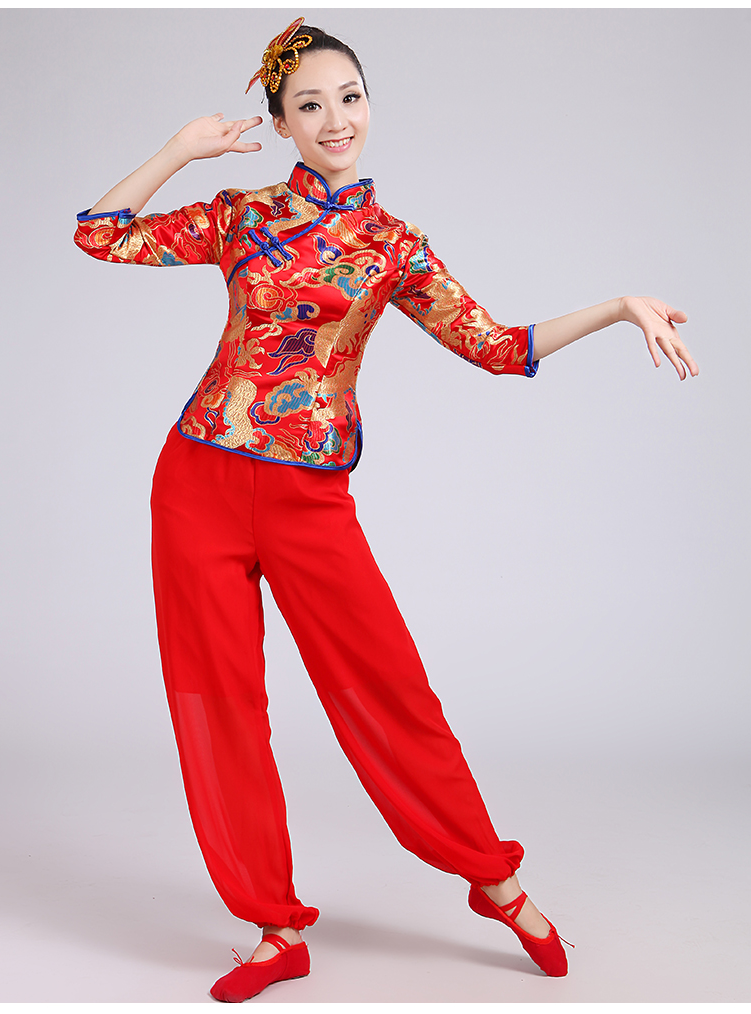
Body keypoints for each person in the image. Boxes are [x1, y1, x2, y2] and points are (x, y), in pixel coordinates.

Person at [74, 18, 698, 1003]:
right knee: (221, 704)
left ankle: (493, 879)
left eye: (350, 97)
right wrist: (179, 151)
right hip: (196, 484)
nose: (335, 119)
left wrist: (619, 307)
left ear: (369, 105)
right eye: (309, 105)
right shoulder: (240, 217)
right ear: (281, 122)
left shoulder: (391, 246)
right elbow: (100, 233)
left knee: (393, 690)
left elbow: (499, 347)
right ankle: (275, 927)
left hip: (308, 498)